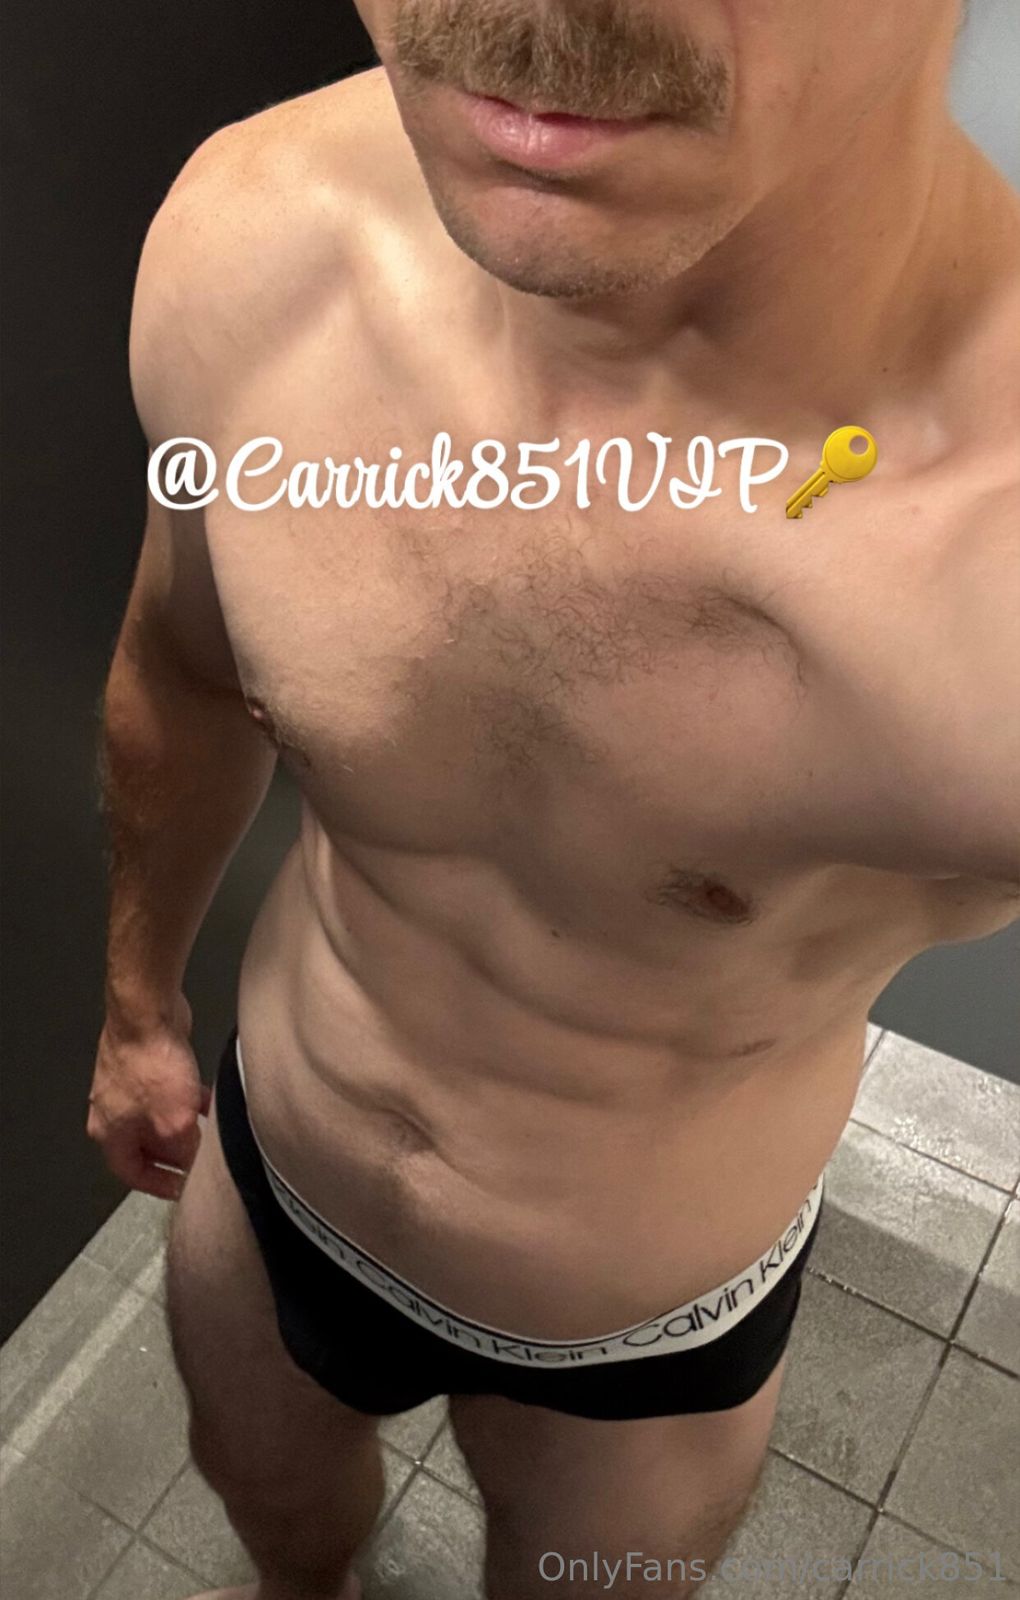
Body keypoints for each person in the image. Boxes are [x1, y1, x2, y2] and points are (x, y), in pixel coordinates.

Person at [88, 2, 1020, 1597]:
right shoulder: (247, 240)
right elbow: (178, 675)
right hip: (274, 1174)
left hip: (634, 1338)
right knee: (281, 1538)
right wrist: (134, 1011)